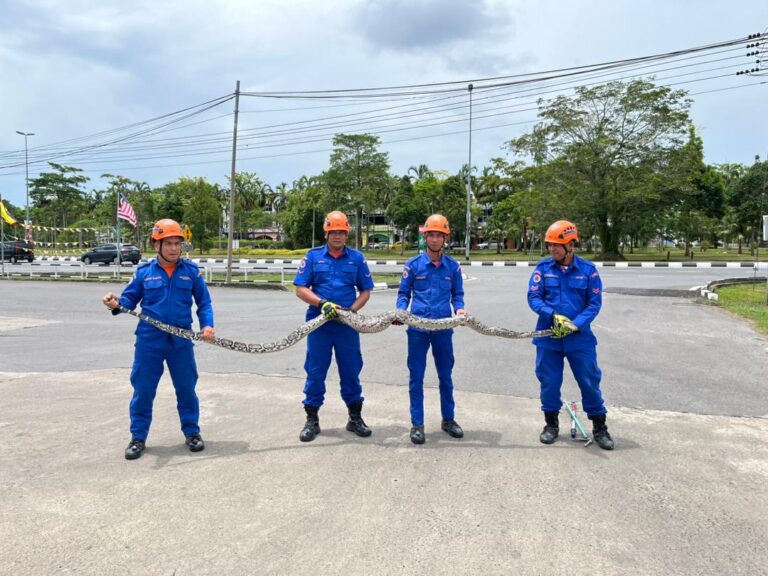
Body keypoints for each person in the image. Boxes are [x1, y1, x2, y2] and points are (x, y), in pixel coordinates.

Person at [103, 218, 215, 460]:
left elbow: (204, 303)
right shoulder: (144, 273)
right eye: (169, 243)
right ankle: (138, 437)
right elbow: (127, 301)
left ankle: (192, 432)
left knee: (186, 388)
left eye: (177, 243)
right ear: (156, 244)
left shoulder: (191, 272)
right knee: (143, 390)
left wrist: (207, 325)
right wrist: (115, 303)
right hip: (149, 340)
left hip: (181, 341)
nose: (174, 248)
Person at [527, 220, 614, 450]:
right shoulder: (543, 268)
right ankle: (551, 425)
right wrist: (553, 316)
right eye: (550, 245)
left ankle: (600, 427)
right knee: (549, 382)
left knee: (589, 381)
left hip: (579, 339)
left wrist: (575, 324)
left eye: (557, 245)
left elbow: (594, 304)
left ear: (571, 245)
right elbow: (534, 297)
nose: (552, 249)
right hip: (549, 337)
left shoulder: (588, 271)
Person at [293, 210, 375, 442]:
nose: (337, 236)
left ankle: (355, 418)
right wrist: (322, 303)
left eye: (341, 232)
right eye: (333, 232)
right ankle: (312, 420)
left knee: (351, 370)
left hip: (346, 326)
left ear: (347, 234)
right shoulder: (313, 257)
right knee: (315, 371)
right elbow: (300, 289)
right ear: (326, 233)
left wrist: (351, 311)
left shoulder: (357, 259)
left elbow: (365, 291)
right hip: (319, 324)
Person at [396, 214, 466, 445]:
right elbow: (404, 294)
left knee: (445, 376)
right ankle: (417, 424)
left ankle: (448, 420)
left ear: (445, 238)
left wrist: (460, 309)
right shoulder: (413, 266)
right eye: (431, 235)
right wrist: (400, 311)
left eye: (439, 235)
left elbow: (457, 295)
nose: (435, 239)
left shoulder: (453, 267)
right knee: (416, 376)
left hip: (443, 329)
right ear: (425, 237)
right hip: (417, 329)